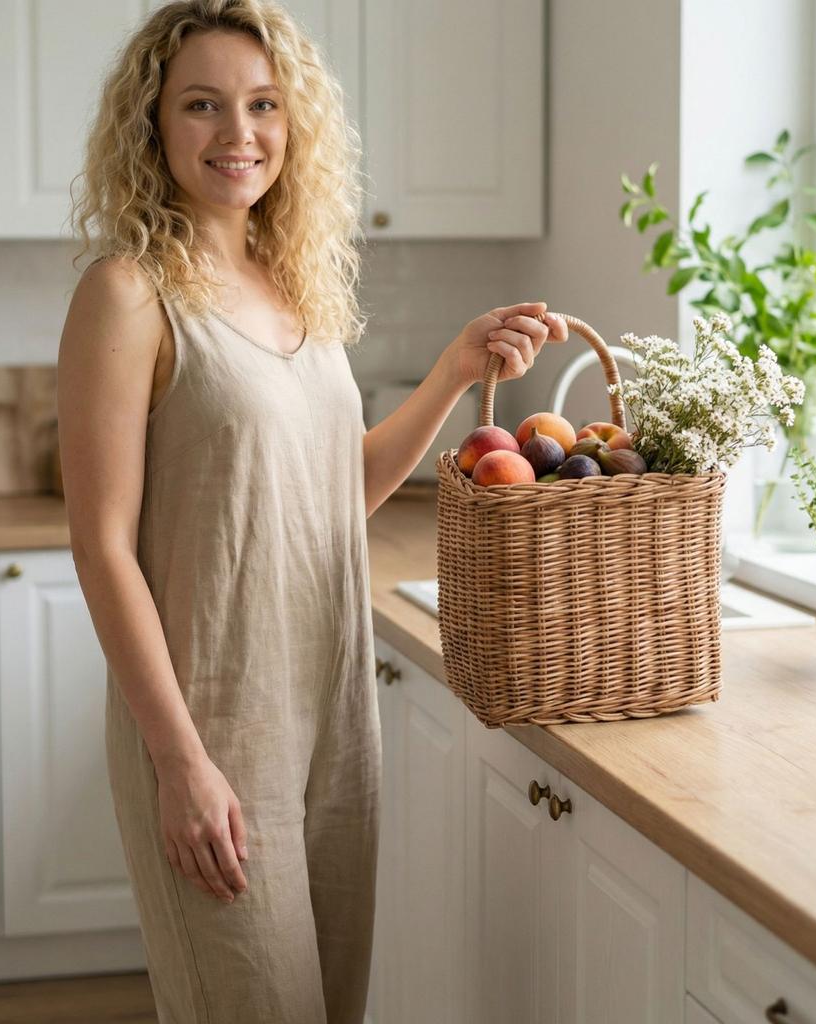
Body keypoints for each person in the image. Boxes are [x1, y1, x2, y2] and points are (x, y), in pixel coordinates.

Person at [56, 1, 568, 1020]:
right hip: (212, 724)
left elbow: (331, 498)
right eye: (202, 105)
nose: (237, 133)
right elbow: (102, 545)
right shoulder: (127, 294)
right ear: (153, 122)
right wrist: (180, 760)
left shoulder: (291, 286)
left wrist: (455, 373)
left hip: (331, 719)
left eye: (261, 104)